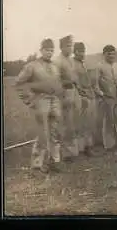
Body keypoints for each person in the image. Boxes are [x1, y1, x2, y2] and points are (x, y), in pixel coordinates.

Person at [14, 39, 64, 173]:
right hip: (40, 101)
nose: (50, 52)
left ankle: (55, 161)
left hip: (54, 101)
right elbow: (19, 83)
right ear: (41, 50)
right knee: (43, 133)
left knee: (54, 132)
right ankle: (38, 163)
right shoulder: (32, 66)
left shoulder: (54, 66)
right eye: (47, 50)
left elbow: (57, 82)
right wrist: (29, 100)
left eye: (52, 50)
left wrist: (58, 95)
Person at [95, 45, 117, 150]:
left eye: (113, 53)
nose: (111, 56)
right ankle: (109, 145)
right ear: (104, 55)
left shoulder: (116, 66)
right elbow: (95, 84)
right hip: (107, 97)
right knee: (108, 121)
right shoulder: (100, 66)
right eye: (108, 54)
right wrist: (101, 94)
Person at [54, 35, 80, 161]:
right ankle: (64, 153)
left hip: (72, 92)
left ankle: (72, 151)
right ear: (62, 47)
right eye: (68, 46)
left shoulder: (70, 60)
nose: (70, 48)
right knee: (64, 123)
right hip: (63, 94)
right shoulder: (58, 61)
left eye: (71, 45)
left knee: (71, 123)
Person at [72, 42, 98, 156]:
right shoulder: (72, 64)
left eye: (83, 51)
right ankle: (80, 148)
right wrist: (80, 93)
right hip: (79, 95)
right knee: (79, 123)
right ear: (75, 51)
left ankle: (88, 146)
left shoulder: (85, 64)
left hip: (89, 94)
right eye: (79, 51)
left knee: (89, 122)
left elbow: (92, 79)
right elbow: (74, 82)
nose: (82, 53)